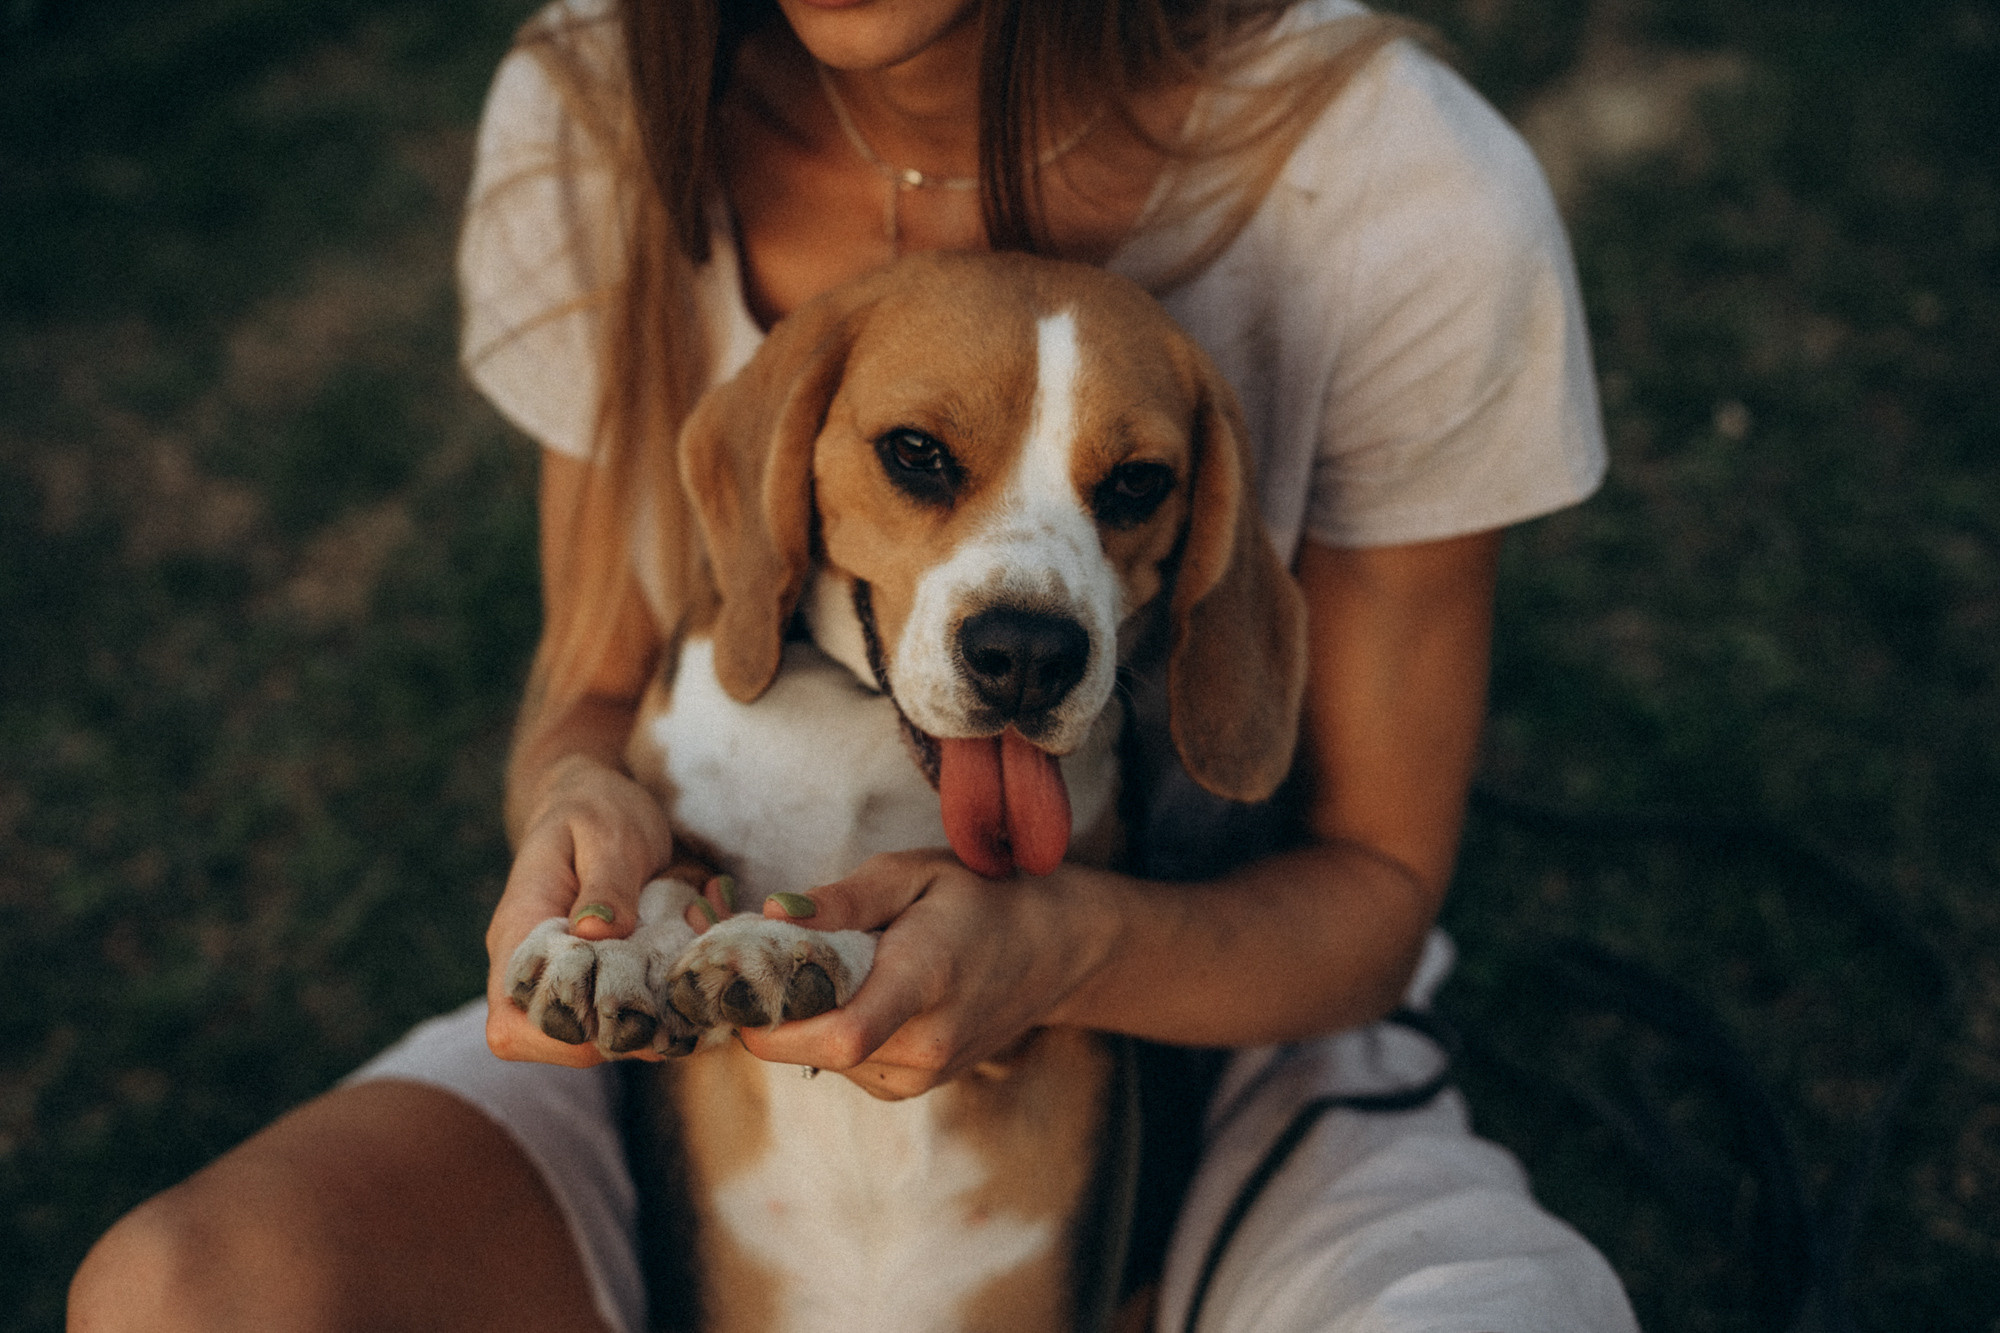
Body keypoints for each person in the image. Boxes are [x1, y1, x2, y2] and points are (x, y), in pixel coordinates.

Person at [69, 1, 1640, 1330]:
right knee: (175, 1292)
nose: (1026, 608)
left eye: (1127, 489)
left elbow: (1371, 887)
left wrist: (1062, 947)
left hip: (1225, 1056)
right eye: (917, 458)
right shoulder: (603, 99)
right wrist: (580, 809)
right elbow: (594, 690)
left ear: (1185, 521)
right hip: (684, 1068)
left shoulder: (1404, 186)